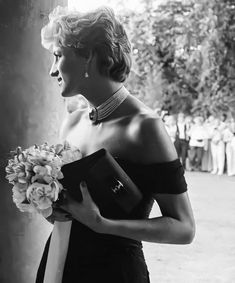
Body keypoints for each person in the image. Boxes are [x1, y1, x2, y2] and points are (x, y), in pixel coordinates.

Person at [36, 6, 195, 283]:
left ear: (89, 56)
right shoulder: (71, 123)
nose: (52, 71)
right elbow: (72, 206)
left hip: (114, 272)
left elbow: (184, 228)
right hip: (59, 263)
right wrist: (51, 206)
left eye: (58, 56)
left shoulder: (144, 127)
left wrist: (102, 224)